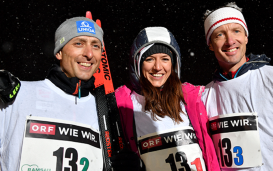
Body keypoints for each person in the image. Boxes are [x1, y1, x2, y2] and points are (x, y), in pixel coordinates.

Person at [0, 16, 139, 171]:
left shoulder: (104, 111)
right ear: (59, 52)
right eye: (79, 43)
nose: (89, 54)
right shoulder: (17, 95)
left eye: (95, 46)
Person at [201, 2, 273, 171]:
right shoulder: (203, 97)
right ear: (210, 44)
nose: (230, 41)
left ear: (246, 36)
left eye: (236, 31)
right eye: (220, 35)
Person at [114, 27, 220, 171]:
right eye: (149, 59)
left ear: (174, 64)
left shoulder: (194, 97)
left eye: (165, 59)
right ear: (137, 63)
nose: (158, 67)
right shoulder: (123, 104)